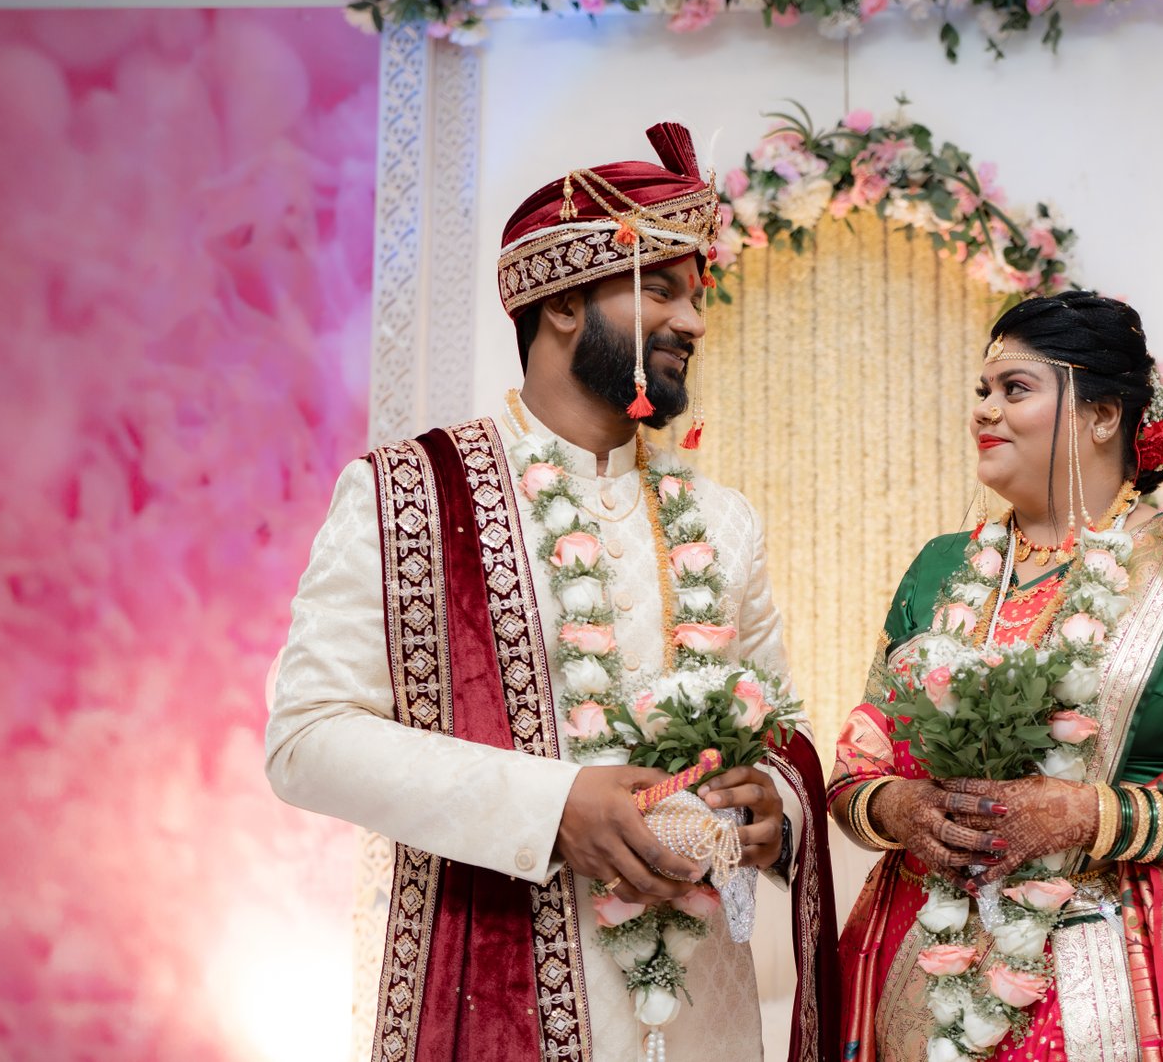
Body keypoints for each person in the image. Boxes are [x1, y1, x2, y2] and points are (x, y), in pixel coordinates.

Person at [266, 122, 837, 1062]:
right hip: (496, 997)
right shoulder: (408, 495)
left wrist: (776, 806)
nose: (694, 322)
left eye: (696, 297)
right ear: (563, 301)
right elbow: (307, 739)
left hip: (706, 1015)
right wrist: (553, 804)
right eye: (660, 288)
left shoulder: (725, 522)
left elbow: (783, 732)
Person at [830, 292, 1163, 1062]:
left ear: (1103, 414)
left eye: (1015, 388)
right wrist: (900, 807)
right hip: (930, 984)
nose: (985, 410)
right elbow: (855, 768)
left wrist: (1093, 816)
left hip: (1154, 995)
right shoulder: (940, 570)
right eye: (982, 390)